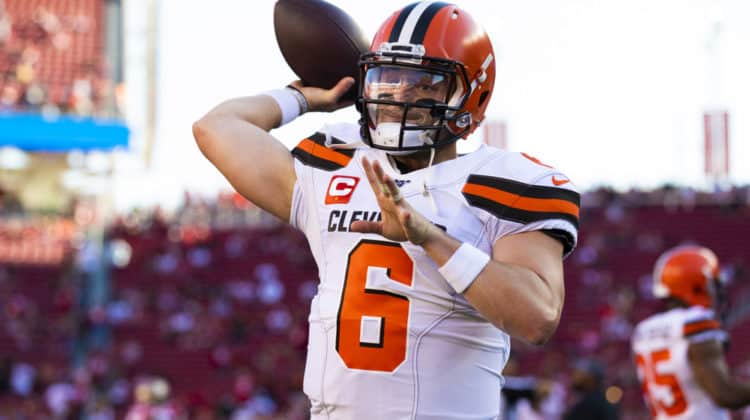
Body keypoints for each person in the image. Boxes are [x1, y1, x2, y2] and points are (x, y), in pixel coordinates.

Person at [193, 2, 579, 418]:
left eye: (425, 83)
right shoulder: (338, 162)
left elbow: (537, 318)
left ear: (471, 95)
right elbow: (216, 128)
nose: (400, 96)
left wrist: (429, 237)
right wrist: (302, 98)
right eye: (387, 78)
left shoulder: (505, 183)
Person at [632, 245, 750, 419]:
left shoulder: (643, 331)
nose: (715, 292)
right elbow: (725, 395)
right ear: (696, 285)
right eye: (711, 284)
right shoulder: (695, 323)